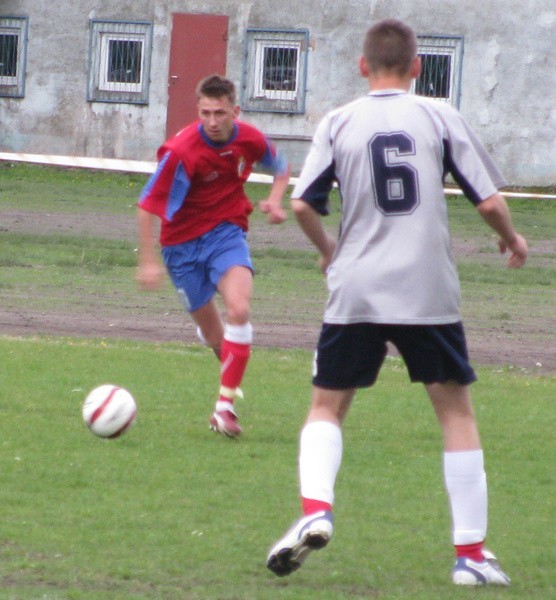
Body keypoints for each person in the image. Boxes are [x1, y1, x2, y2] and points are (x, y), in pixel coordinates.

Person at [266, 19, 527, 586]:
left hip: (356, 287)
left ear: (363, 67)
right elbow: (486, 201)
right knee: (454, 411)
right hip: (426, 288)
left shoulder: (338, 122)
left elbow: (305, 205)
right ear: (417, 68)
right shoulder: (438, 114)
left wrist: (331, 253)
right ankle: (471, 557)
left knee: (326, 407)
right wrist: (512, 238)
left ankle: (316, 511)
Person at [137, 74, 291, 438]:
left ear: (234, 111)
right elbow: (146, 208)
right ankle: (228, 371)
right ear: (198, 110)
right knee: (213, 334)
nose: (212, 121)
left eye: (220, 113)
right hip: (181, 247)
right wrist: (147, 260)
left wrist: (275, 198)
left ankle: (224, 410)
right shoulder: (181, 152)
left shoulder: (248, 138)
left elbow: (280, 166)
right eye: (205, 112)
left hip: (225, 233)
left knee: (239, 309)